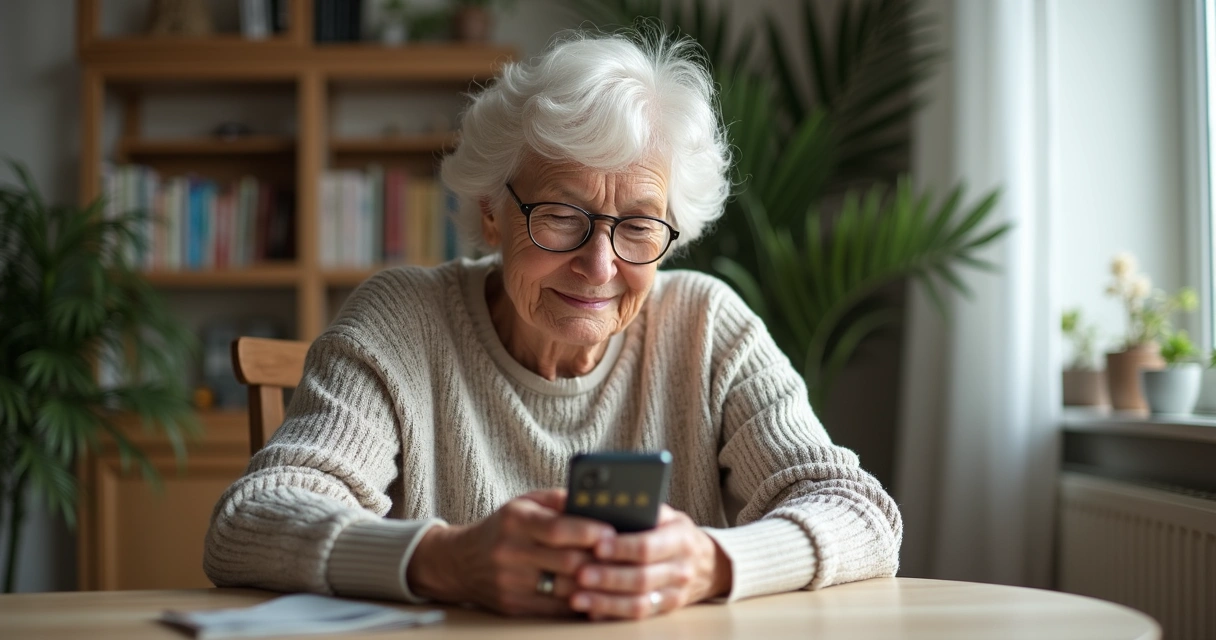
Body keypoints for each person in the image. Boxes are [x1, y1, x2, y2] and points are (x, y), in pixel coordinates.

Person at [204, 30, 901, 621]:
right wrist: (444, 561)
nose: (599, 266)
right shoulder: (404, 322)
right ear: (489, 212)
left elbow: (861, 514)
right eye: (563, 216)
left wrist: (711, 563)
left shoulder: (707, 325)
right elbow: (250, 523)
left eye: (638, 226)